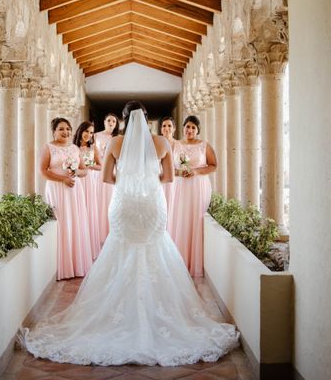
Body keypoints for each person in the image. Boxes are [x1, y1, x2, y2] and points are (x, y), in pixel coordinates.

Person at [23, 102, 238, 366]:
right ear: (147, 119)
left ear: (124, 120)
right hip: (151, 204)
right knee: (155, 249)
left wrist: (129, 182)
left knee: (120, 249)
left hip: (124, 204)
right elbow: (169, 178)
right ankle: (157, 313)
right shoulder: (161, 142)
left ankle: (117, 314)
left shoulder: (115, 144)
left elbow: (107, 179)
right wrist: (147, 182)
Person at [39, 117, 93, 280]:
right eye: (61, 129)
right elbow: (43, 171)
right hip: (57, 189)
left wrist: (75, 172)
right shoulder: (48, 147)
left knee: (75, 223)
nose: (66, 132)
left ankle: (77, 265)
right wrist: (62, 179)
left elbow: (85, 171)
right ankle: (61, 266)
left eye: (68, 129)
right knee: (61, 224)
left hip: (75, 190)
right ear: (54, 131)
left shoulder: (75, 148)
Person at [170, 115, 218, 277]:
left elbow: (213, 166)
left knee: (196, 219)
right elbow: (168, 168)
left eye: (193, 127)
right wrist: (180, 172)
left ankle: (194, 263)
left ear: (197, 130)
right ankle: (178, 261)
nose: (189, 130)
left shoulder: (205, 146)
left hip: (198, 187)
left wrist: (195, 171)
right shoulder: (175, 145)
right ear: (182, 128)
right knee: (180, 219)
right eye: (187, 127)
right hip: (180, 186)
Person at [73, 121, 102, 260]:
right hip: (76, 180)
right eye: (87, 131)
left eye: (91, 133)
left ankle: (89, 247)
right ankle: (78, 246)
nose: (89, 135)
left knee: (88, 210)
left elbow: (101, 166)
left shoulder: (93, 148)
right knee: (77, 210)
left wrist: (88, 167)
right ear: (81, 130)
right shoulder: (72, 147)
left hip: (88, 181)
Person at [93, 112, 119, 244]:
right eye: (109, 120)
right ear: (104, 122)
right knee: (98, 201)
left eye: (114, 121)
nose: (111, 123)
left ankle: (111, 231)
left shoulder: (117, 138)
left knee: (110, 200)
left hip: (112, 170)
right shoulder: (96, 136)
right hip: (98, 172)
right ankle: (98, 233)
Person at [160, 116, 178, 234]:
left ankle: (172, 232)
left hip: (176, 181)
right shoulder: (157, 143)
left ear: (174, 129)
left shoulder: (179, 144)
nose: (166, 128)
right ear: (161, 129)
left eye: (169, 126)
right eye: (164, 126)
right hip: (160, 179)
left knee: (174, 208)